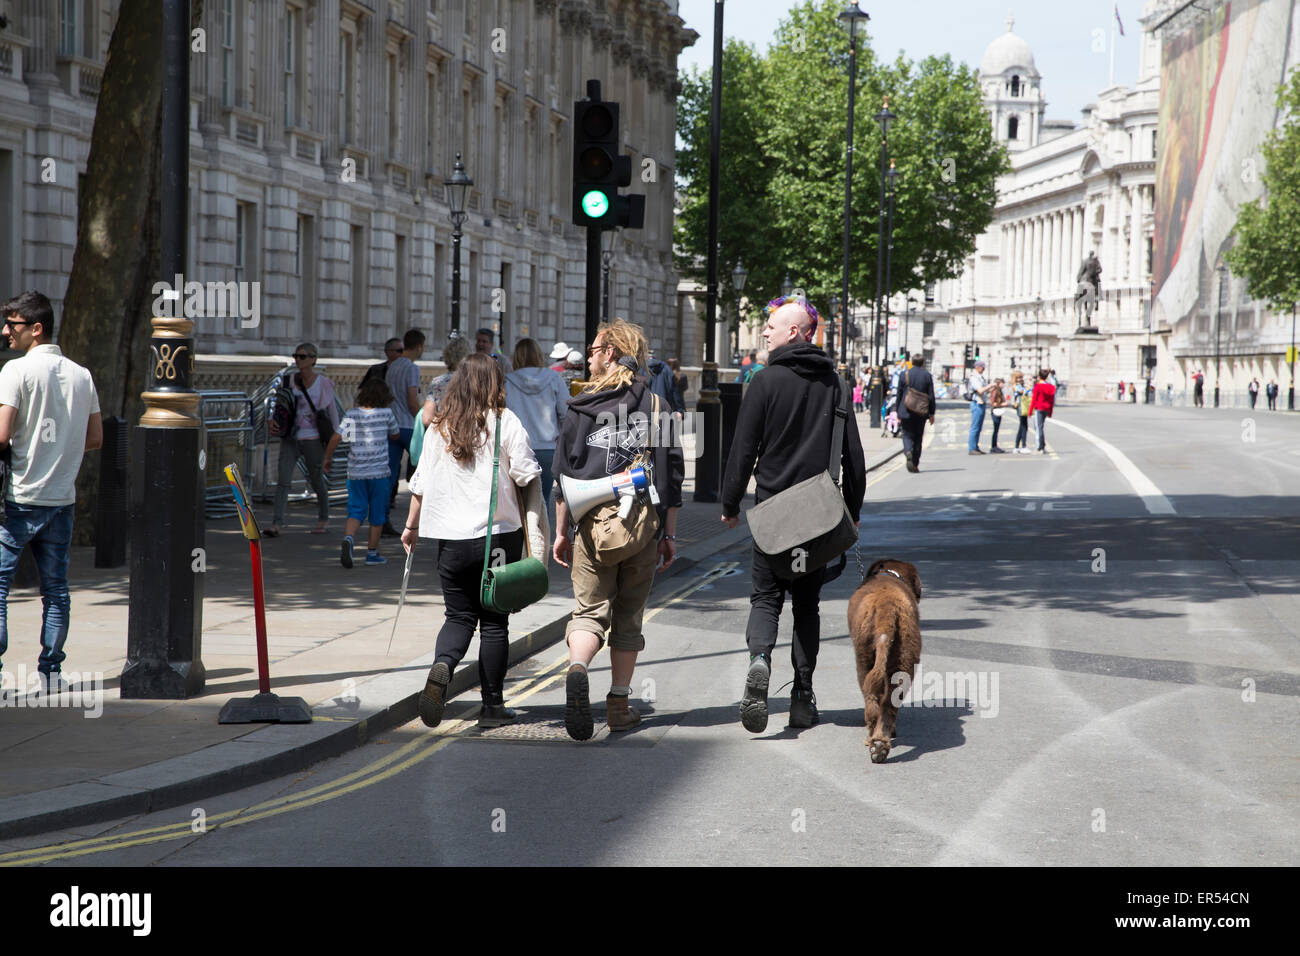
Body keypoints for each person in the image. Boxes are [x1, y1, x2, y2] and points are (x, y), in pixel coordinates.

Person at [722, 297, 866, 732]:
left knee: (766, 597)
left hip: (772, 515)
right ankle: (802, 695)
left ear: (797, 333)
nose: (764, 332)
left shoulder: (765, 383)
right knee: (806, 604)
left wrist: (729, 504)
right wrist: (852, 513)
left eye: (772, 326)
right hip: (818, 519)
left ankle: (760, 660)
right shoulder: (836, 385)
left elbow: (742, 451)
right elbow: (854, 458)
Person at [552, 319, 683, 741]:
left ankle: (577, 669)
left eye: (592, 349)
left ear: (609, 352)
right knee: (629, 618)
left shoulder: (579, 408)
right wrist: (669, 535)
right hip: (642, 528)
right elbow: (671, 479)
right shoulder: (659, 407)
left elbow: (563, 479)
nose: (587, 356)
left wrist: (560, 532)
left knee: (589, 613)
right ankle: (619, 706)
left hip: (591, 526)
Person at [402, 353, 543, 730]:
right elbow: (528, 474)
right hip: (497, 539)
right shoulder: (505, 421)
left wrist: (410, 528)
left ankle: (442, 666)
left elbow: (419, 485)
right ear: (495, 383)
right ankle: (492, 707)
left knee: (458, 616)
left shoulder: (440, 427)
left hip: (450, 541)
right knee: (494, 622)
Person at [0, 291, 102, 692]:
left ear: (36, 329)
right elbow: (95, 437)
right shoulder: (82, 375)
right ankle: (51, 673)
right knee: (56, 589)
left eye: (13, 324)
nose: (6, 332)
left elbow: (3, 434)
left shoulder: (15, 371)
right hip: (62, 499)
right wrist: (60, 448)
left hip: (19, 498)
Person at [324, 376, 399, 567]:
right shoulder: (387, 414)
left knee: (355, 510)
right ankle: (372, 554)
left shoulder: (352, 414)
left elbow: (339, 438)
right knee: (378, 513)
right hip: (379, 473)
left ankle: (349, 538)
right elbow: (395, 434)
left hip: (356, 472)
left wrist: (328, 458)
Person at [269, 342, 339, 536]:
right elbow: (277, 405)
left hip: (313, 438)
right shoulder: (288, 380)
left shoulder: (323, 383)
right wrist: (271, 420)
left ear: (313, 359)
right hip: (291, 437)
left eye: (303, 356)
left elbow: (332, 413)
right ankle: (276, 523)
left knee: (316, 479)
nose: (298, 360)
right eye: (296, 356)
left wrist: (334, 440)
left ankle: (323, 518)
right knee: (283, 479)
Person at [505, 337, 569, 514]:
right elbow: (565, 413)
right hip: (548, 447)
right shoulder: (554, 378)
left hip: (517, 448)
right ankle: (541, 539)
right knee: (543, 501)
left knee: (518, 502)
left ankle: (523, 539)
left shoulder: (507, 381)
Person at [384, 329, 425, 535]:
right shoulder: (412, 368)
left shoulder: (392, 367)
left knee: (390, 474)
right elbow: (412, 401)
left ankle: (381, 519)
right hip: (409, 425)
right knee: (427, 465)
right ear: (419, 347)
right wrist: (424, 420)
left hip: (392, 425)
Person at [422, 333, 472, 427]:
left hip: (443, 436)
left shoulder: (438, 382)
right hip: (469, 434)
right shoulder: (474, 382)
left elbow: (426, 419)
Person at [897, 353, 936, 473]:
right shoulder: (927, 375)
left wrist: (897, 411)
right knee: (918, 437)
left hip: (905, 409)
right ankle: (914, 463)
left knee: (906, 434)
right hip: (921, 411)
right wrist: (931, 413)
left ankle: (908, 451)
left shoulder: (905, 374)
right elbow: (931, 396)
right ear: (923, 363)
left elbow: (899, 394)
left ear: (912, 362)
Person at [967, 360, 995, 455]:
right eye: (983, 367)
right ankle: (972, 448)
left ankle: (975, 446)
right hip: (977, 403)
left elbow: (984, 390)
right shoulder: (974, 378)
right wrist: (990, 385)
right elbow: (980, 390)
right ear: (978, 367)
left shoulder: (980, 377)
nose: (984, 369)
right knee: (975, 427)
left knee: (979, 427)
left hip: (982, 403)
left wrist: (992, 389)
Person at [646, 349, 686, 414]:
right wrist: (679, 409)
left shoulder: (641, 368)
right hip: (664, 406)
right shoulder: (666, 368)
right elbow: (673, 390)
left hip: (646, 406)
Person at [1031, 368, 1056, 453]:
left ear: (1039, 376)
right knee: (1041, 427)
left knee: (1038, 428)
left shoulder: (1038, 386)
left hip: (1039, 408)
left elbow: (1034, 399)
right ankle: (1042, 445)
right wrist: (1050, 412)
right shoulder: (1050, 387)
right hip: (1046, 408)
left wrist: (1030, 410)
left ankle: (1039, 447)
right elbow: (1051, 401)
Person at [1010, 369, 1032, 453]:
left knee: (1022, 426)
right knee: (1024, 426)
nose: (1021, 379)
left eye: (1021, 377)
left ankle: (1016, 446)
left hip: (1022, 405)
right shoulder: (1015, 385)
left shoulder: (1020, 385)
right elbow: (1022, 392)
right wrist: (1028, 388)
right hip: (1020, 406)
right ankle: (1023, 446)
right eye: (1019, 377)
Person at [988, 377, 1008, 452]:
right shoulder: (995, 391)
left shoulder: (999, 391)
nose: (1004, 385)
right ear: (999, 384)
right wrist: (1002, 404)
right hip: (995, 411)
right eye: (1003, 383)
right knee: (995, 429)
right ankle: (993, 447)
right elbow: (992, 403)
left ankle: (995, 446)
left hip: (998, 411)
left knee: (996, 429)